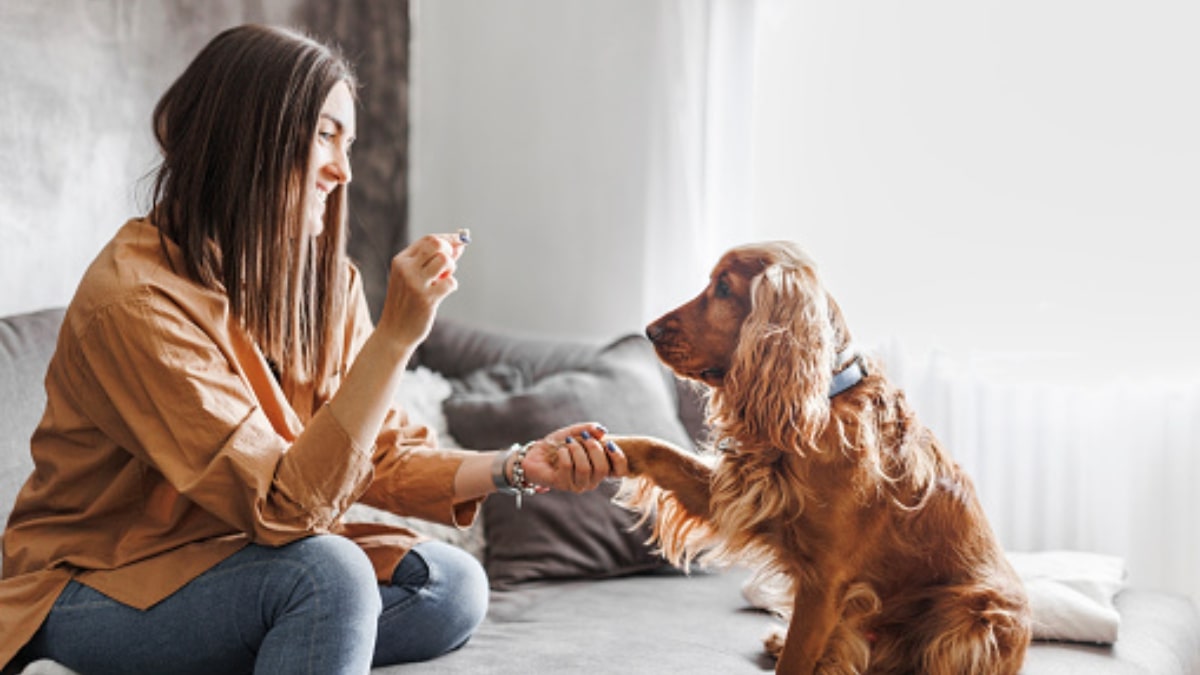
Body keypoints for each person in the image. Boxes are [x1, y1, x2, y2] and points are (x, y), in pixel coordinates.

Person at [0, 24, 628, 675]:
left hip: (233, 560)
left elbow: (377, 450)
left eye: (348, 142)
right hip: (95, 584)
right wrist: (396, 335)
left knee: (450, 586)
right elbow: (287, 507)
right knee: (330, 576)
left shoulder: (324, 284)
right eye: (326, 134)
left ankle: (278, 642)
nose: (343, 168)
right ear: (249, 133)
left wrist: (522, 464)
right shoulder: (134, 300)